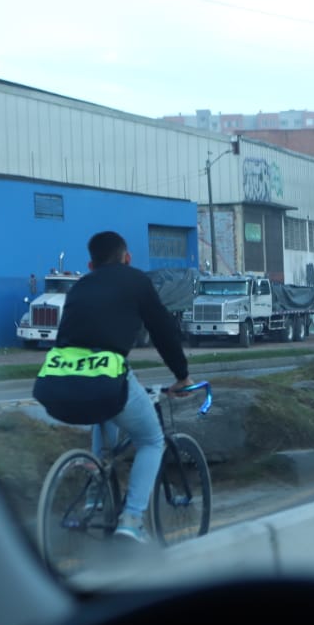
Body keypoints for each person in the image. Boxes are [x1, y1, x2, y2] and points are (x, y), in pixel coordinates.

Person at [51, 231, 195, 543]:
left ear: (91, 265)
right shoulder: (136, 280)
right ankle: (131, 520)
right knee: (151, 440)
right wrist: (182, 375)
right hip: (107, 375)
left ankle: (94, 497)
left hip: (61, 378)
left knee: (104, 425)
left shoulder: (79, 287)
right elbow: (163, 330)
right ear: (127, 258)